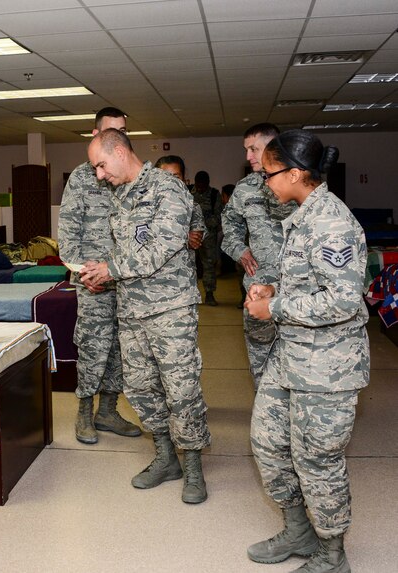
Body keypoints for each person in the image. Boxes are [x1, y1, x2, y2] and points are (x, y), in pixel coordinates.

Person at [244, 129, 368, 573]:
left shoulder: (331, 223)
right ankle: (298, 530)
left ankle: (332, 554)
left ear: (295, 174)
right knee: (268, 442)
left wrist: (273, 308)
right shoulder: (301, 215)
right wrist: (273, 289)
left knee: (317, 460)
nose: (265, 182)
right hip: (291, 356)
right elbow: (309, 284)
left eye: (269, 174)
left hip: (328, 367)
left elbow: (343, 300)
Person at [80, 129, 211, 504]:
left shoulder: (168, 189)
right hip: (132, 310)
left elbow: (161, 247)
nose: (100, 174)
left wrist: (111, 269)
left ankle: (193, 467)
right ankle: (166, 458)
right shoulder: (119, 196)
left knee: (181, 389)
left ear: (120, 152)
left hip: (170, 309)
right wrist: (101, 275)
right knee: (140, 388)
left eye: (101, 165)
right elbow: (121, 250)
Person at [57, 107, 142, 444]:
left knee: (121, 349)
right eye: (112, 130)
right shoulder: (82, 178)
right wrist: (85, 275)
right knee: (93, 347)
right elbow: (67, 236)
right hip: (92, 282)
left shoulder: (132, 177)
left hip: (127, 281)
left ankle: (107, 411)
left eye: (124, 131)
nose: (119, 137)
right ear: (96, 134)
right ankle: (83, 413)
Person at [221, 123, 297, 389]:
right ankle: (265, 409)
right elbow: (229, 223)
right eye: (246, 149)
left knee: (298, 363)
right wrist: (239, 250)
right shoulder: (245, 188)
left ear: (275, 147)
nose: (248, 156)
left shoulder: (298, 182)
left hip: (297, 290)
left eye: (254, 149)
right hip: (258, 288)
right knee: (261, 361)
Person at [155, 155, 206, 253]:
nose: (171, 182)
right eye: (165, 177)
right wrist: (184, 237)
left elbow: (195, 241)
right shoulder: (146, 206)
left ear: (183, 179)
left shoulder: (193, 207)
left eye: (176, 177)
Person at [189, 171, 223, 305]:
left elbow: (219, 215)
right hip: (190, 235)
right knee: (188, 264)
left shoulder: (214, 194)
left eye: (203, 186)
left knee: (209, 265)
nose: (200, 188)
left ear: (208, 184)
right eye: (198, 185)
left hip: (208, 236)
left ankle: (209, 294)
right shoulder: (188, 192)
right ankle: (189, 295)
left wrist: (203, 226)